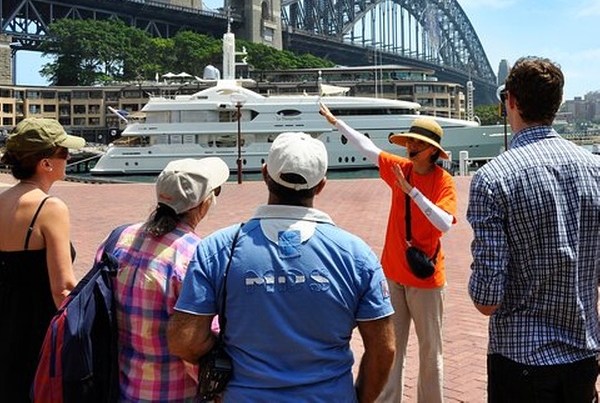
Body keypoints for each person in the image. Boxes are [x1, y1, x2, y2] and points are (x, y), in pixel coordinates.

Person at [167, 132, 395, 402]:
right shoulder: (356, 254)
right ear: (321, 185)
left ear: (265, 174)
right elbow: (384, 349)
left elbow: (184, 339)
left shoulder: (218, 248)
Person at [467, 57, 600, 402]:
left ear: (510, 100)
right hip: (582, 358)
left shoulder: (492, 179)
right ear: (557, 103)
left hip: (520, 361)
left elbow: (487, 300)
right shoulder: (595, 170)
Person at [320, 102, 457, 403]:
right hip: (393, 274)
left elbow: (445, 223)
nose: (412, 147)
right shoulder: (400, 169)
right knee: (392, 347)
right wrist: (337, 122)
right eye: (410, 141)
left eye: (419, 144)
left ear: (432, 151)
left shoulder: (442, 181)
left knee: (430, 352)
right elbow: (367, 147)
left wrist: (412, 192)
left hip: (426, 280)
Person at [95, 157, 229, 403]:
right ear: (203, 204)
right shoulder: (195, 255)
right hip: (176, 392)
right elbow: (197, 338)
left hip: (119, 386)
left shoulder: (118, 238)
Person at [0, 118, 84, 402]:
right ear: (45, 163)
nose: (69, 158)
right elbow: (63, 288)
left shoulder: (1, 201)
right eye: (64, 152)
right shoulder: (50, 208)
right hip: (37, 333)